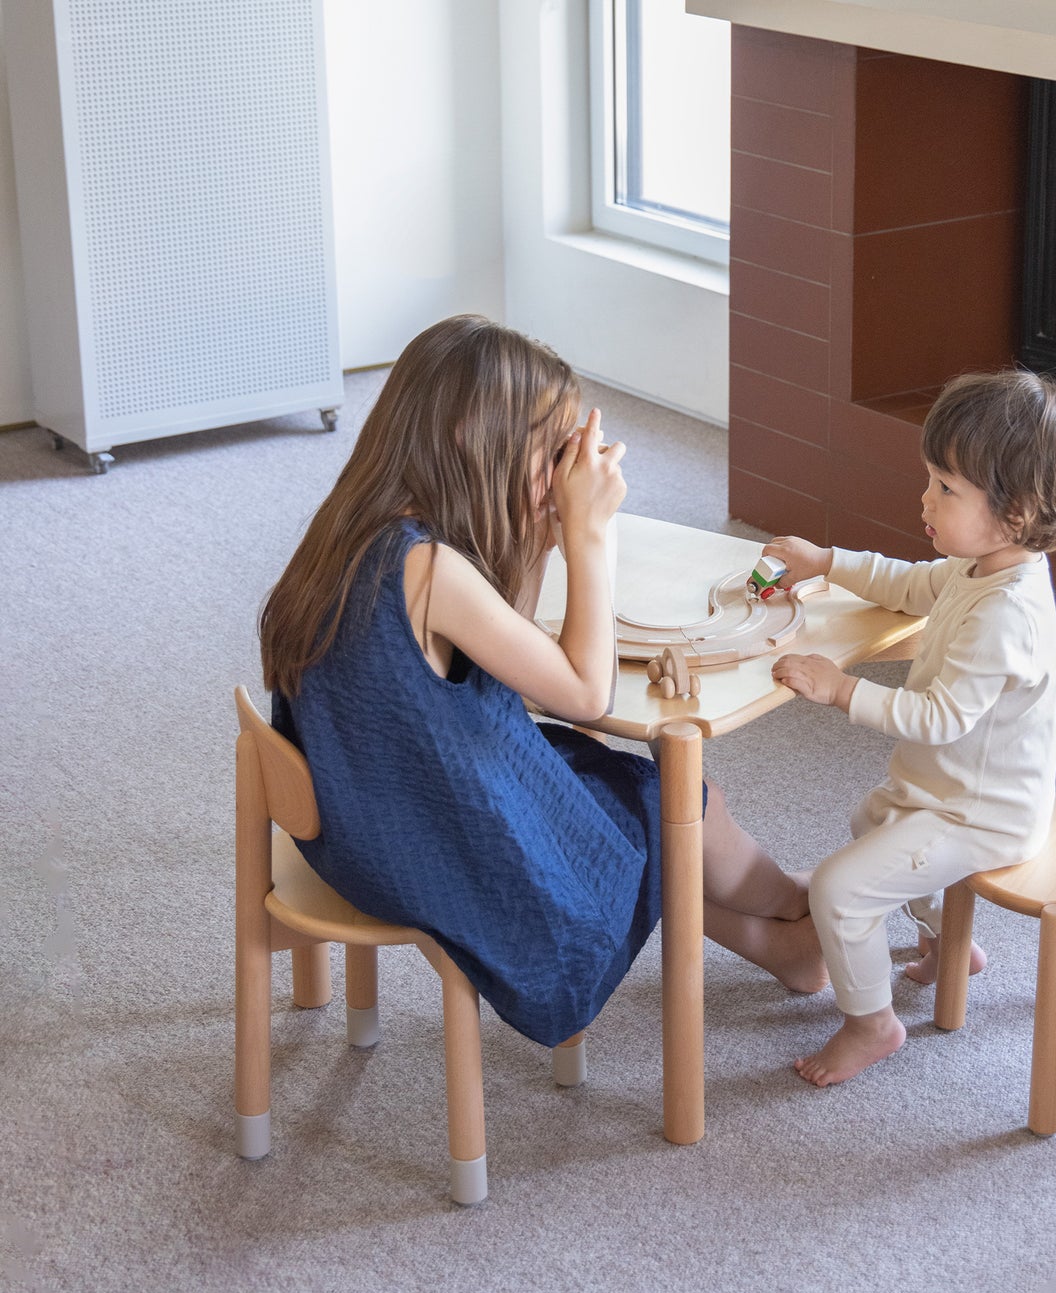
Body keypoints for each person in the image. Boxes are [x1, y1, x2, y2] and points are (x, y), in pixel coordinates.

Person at [260, 314, 823, 1052]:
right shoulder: (428, 570)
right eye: (549, 448)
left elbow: (508, 657)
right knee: (666, 801)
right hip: (438, 851)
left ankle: (789, 943)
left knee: (605, 786)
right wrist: (590, 539)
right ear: (471, 433)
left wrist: (538, 528)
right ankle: (806, 908)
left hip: (363, 826)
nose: (563, 469)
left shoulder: (357, 527)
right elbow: (587, 694)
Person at [766, 369, 1056, 1085]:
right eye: (929, 479)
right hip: (945, 790)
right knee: (868, 819)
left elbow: (941, 716)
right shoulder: (980, 566)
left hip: (982, 812)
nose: (924, 498)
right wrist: (826, 562)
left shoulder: (1005, 611)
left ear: (1016, 511)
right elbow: (910, 583)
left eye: (945, 489)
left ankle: (872, 1025)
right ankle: (949, 941)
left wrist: (840, 689)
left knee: (837, 888)